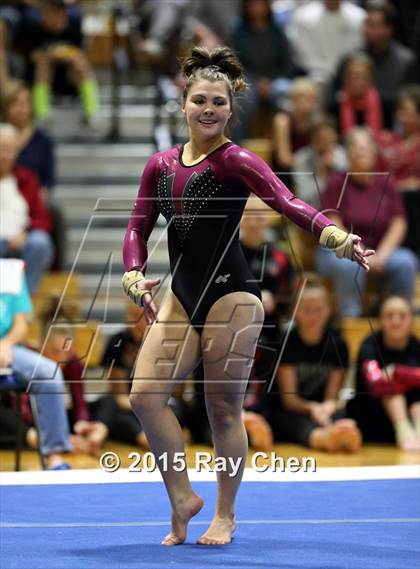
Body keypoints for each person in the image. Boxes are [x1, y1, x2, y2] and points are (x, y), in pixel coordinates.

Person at [122, 46, 374, 546]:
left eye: (218, 101)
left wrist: (336, 237)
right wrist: (133, 275)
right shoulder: (160, 165)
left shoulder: (236, 160)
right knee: (145, 397)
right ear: (184, 104)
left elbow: (287, 200)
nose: (208, 109)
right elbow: (138, 224)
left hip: (232, 297)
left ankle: (226, 513)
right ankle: (181, 498)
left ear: (231, 108)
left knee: (223, 410)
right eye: (199, 100)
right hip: (182, 295)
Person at [316, 126, 418, 317]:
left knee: (406, 261)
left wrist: (383, 254)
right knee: (349, 266)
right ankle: (351, 319)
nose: (361, 150)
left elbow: (399, 222)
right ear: (347, 154)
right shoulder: (336, 182)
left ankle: (399, 317)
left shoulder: (387, 183)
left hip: (380, 250)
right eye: (355, 146)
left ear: (374, 152)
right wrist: (360, 252)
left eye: (366, 146)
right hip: (341, 250)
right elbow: (333, 221)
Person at [261, 280, 361, 452]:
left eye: (319, 310)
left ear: (329, 310)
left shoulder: (338, 343)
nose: (313, 316)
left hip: (322, 410)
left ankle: (338, 431)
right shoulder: (287, 343)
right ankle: (321, 438)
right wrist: (312, 408)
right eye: (307, 310)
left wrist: (327, 407)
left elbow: (332, 396)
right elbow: (289, 400)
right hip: (294, 410)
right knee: (286, 419)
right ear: (295, 312)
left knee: (342, 413)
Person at [0, 259, 72, 469]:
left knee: (48, 372)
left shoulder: (10, 271)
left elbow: (21, 324)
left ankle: (54, 455)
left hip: (7, 350)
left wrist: (5, 343)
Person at [347, 296, 420, 451]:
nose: (396, 321)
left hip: (411, 414)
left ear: (411, 320)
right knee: (392, 389)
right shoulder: (369, 345)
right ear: (380, 319)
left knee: (415, 394)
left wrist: (396, 372)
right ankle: (404, 433)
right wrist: (401, 377)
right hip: (373, 418)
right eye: (389, 315)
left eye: (402, 316)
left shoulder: (415, 345)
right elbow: (375, 382)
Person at [229, 0, 296, 142]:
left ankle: (283, 147)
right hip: (247, 78)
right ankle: (238, 147)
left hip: (276, 79)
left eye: (261, 3)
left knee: (284, 92)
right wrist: (257, 81)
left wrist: (269, 80)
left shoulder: (277, 31)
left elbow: (288, 63)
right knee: (241, 98)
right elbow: (232, 62)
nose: (257, 8)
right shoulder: (237, 31)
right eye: (253, 4)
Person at [21, 0, 98, 122]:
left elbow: (79, 52)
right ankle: (42, 113)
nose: (46, 16)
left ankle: (91, 110)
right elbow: (33, 55)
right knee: (43, 65)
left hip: (68, 75)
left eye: (51, 13)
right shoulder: (34, 27)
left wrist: (68, 56)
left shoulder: (73, 25)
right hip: (42, 76)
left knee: (80, 65)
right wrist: (50, 55)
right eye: (45, 13)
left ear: (62, 13)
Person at [0, 123, 53, 294]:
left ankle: (26, 302)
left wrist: (25, 233)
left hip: (21, 240)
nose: (5, 155)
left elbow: (42, 218)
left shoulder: (27, 179)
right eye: (1, 149)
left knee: (40, 242)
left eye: (10, 150)